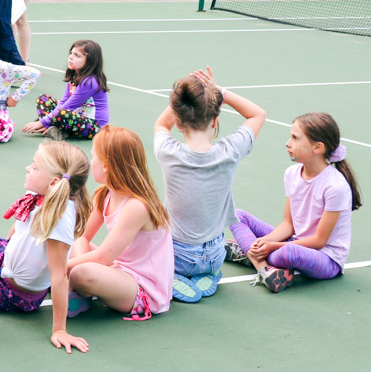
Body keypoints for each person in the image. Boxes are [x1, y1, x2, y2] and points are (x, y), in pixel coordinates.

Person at [153, 66, 265, 302]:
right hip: (215, 253)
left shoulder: (167, 151)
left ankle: (168, 275)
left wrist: (182, 95)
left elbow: (161, 126)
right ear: (215, 121)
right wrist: (219, 91)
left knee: (142, 230)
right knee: (211, 258)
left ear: (179, 121)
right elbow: (257, 115)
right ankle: (210, 274)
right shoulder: (231, 150)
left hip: (178, 255)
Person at [0, 141, 91, 353]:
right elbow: (19, 228)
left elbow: (59, 276)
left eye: (35, 167)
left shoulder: (59, 219)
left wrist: (59, 330)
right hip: (2, 259)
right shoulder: (40, 196)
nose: (28, 168)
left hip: (14, 292)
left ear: (54, 182)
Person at [228, 112, 361, 293]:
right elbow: (288, 224)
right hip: (294, 241)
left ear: (317, 148)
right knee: (236, 215)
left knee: (287, 253)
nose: (287, 143)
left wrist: (273, 246)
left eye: (295, 138)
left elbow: (319, 241)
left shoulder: (335, 187)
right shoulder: (292, 173)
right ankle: (263, 267)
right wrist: (264, 242)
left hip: (326, 258)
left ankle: (248, 254)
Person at [67, 127, 173, 321]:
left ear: (106, 165)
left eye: (93, 156)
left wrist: (59, 269)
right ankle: (82, 290)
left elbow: (102, 258)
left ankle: (79, 288)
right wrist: (68, 267)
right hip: (119, 270)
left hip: (144, 289)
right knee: (71, 245)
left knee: (81, 273)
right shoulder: (104, 193)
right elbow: (82, 236)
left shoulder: (136, 206)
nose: (91, 162)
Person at [23, 39, 108, 140]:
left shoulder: (89, 82)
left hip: (94, 127)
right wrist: (47, 122)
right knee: (44, 99)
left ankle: (59, 130)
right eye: (71, 53)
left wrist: (42, 122)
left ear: (89, 60)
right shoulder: (74, 77)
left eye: (77, 55)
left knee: (62, 113)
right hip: (75, 116)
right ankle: (55, 127)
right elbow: (64, 101)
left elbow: (69, 106)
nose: (71, 57)